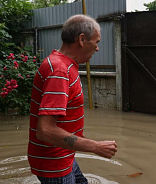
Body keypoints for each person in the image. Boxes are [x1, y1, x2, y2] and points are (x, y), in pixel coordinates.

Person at [28, 14, 118, 183]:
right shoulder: (60, 72)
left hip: (62, 156)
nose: (97, 48)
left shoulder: (64, 65)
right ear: (82, 39)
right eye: (96, 42)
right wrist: (95, 147)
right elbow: (45, 130)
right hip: (55, 164)